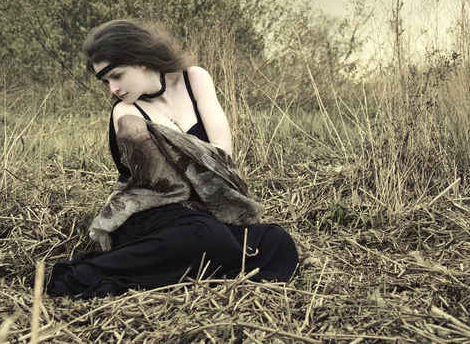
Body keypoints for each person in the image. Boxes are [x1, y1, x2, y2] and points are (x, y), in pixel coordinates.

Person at [46, 20, 298, 299]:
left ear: (140, 60)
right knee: (205, 236)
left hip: (205, 211)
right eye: (106, 82)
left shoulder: (195, 79)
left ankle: (196, 265)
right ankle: (86, 273)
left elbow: (223, 158)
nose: (113, 89)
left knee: (276, 240)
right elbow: (167, 185)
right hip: (150, 215)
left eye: (116, 75)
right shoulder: (126, 112)